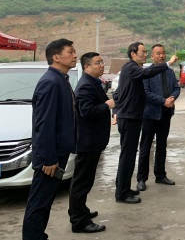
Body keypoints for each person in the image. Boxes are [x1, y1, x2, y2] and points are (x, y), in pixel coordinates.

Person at [22, 39, 77, 240]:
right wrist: (48, 158)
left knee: (45, 201)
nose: (75, 55)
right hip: (50, 157)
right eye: (70, 52)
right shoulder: (51, 82)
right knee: (39, 203)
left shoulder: (61, 79)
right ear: (56, 57)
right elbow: (44, 124)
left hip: (58, 152)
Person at [113, 42, 178, 204]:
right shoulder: (134, 69)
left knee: (134, 154)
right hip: (139, 116)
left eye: (163, 53)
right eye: (143, 51)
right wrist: (168, 64)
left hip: (145, 116)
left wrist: (171, 99)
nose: (145, 54)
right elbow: (146, 85)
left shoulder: (137, 69)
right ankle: (127, 188)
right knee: (135, 152)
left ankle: (126, 188)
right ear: (133, 53)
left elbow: (119, 94)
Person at [68, 52, 114, 234]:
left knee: (85, 180)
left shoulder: (93, 82)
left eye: (102, 62)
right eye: (97, 63)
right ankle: (79, 221)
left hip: (93, 140)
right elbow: (86, 111)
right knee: (82, 181)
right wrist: (107, 105)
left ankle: (80, 210)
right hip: (88, 141)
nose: (101, 65)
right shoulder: (86, 85)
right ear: (86, 66)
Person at [136, 44, 180, 191]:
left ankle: (160, 175)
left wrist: (172, 98)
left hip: (166, 114)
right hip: (150, 115)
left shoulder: (170, 72)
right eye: (158, 53)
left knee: (162, 145)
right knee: (145, 146)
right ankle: (141, 178)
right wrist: (163, 101)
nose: (161, 56)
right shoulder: (147, 73)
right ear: (152, 56)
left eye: (163, 53)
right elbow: (145, 93)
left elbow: (177, 88)